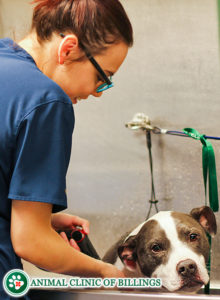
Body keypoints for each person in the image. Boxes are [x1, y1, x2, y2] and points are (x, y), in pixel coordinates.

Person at [0, 0, 133, 298]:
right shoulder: (46, 101)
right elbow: (31, 243)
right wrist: (105, 271)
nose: (97, 92)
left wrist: (40, 218)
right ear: (68, 49)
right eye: (101, 76)